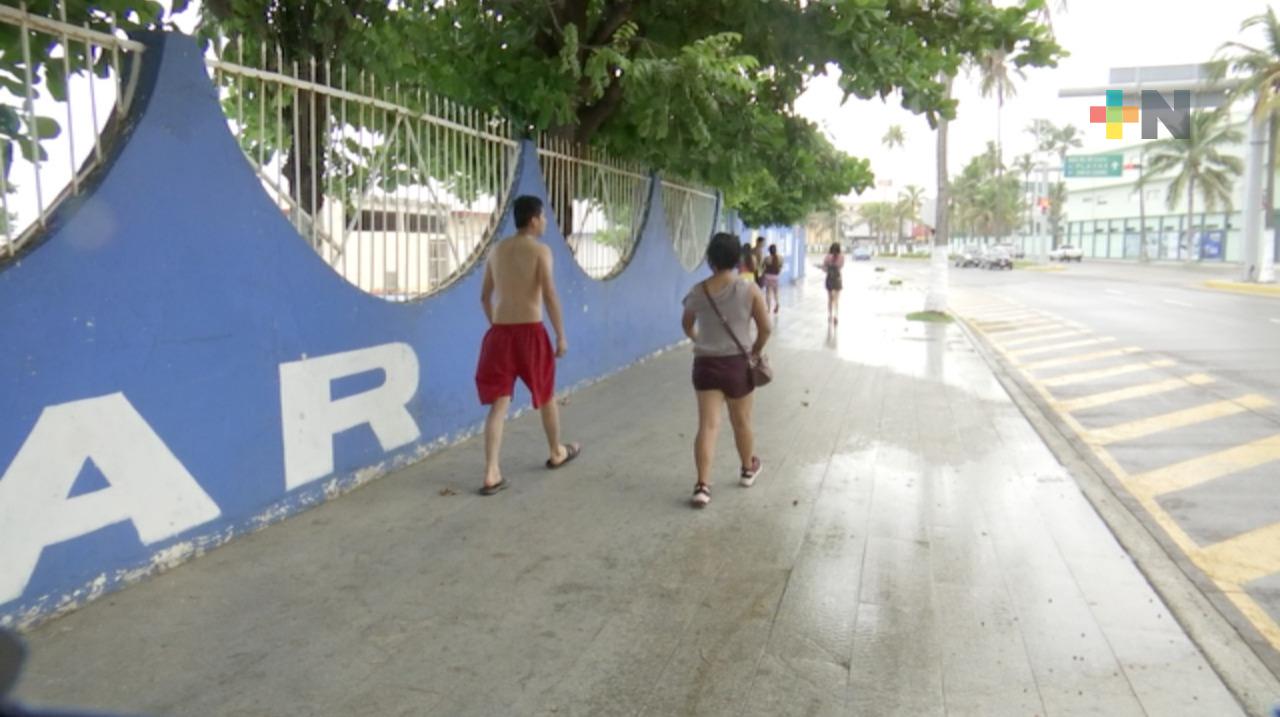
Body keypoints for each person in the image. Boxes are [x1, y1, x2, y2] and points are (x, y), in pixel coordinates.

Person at [475, 195, 581, 495]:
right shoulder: (540, 251)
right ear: (533, 219)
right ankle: (556, 452)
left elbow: (484, 296)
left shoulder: (496, 250)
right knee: (545, 394)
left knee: (499, 402)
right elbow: (549, 293)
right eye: (543, 217)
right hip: (531, 334)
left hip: (499, 335)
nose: (545, 222)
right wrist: (560, 334)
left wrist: (497, 324)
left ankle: (491, 471)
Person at [681, 232, 771, 508]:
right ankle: (747, 469)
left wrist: (701, 342)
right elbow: (766, 328)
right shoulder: (749, 289)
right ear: (738, 259)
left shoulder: (698, 291)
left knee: (708, 426)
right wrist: (754, 351)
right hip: (737, 365)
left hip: (705, 365)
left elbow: (686, 324)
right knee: (741, 421)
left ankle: (702, 487)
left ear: (710, 259)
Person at [822, 242, 844, 325]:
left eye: (836, 252)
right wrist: (827, 268)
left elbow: (840, 266)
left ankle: (835, 315)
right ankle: (830, 315)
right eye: (833, 251)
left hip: (837, 279)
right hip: (830, 278)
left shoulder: (841, 257)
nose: (834, 253)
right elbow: (824, 267)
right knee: (830, 298)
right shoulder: (828, 257)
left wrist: (831, 265)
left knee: (836, 298)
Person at [762, 243, 783, 314]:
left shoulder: (767, 258)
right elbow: (780, 267)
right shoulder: (780, 258)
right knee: (776, 293)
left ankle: (768, 309)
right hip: (775, 277)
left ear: (769, 251)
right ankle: (777, 303)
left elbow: (763, 267)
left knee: (768, 293)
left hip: (768, 276)